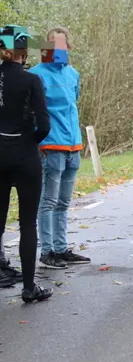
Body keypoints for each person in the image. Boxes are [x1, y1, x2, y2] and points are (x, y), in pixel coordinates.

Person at [28, 27, 91, 269]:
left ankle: (61, 248)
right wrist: (39, 141)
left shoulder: (73, 74)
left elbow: (72, 105)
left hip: (73, 145)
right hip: (50, 145)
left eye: (63, 46)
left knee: (64, 202)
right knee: (48, 201)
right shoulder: (36, 75)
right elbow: (33, 114)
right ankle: (47, 251)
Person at [0, 25, 54, 301]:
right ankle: (29, 288)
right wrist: (29, 141)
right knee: (27, 223)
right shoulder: (32, 80)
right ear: (23, 51)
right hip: (24, 155)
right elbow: (44, 125)